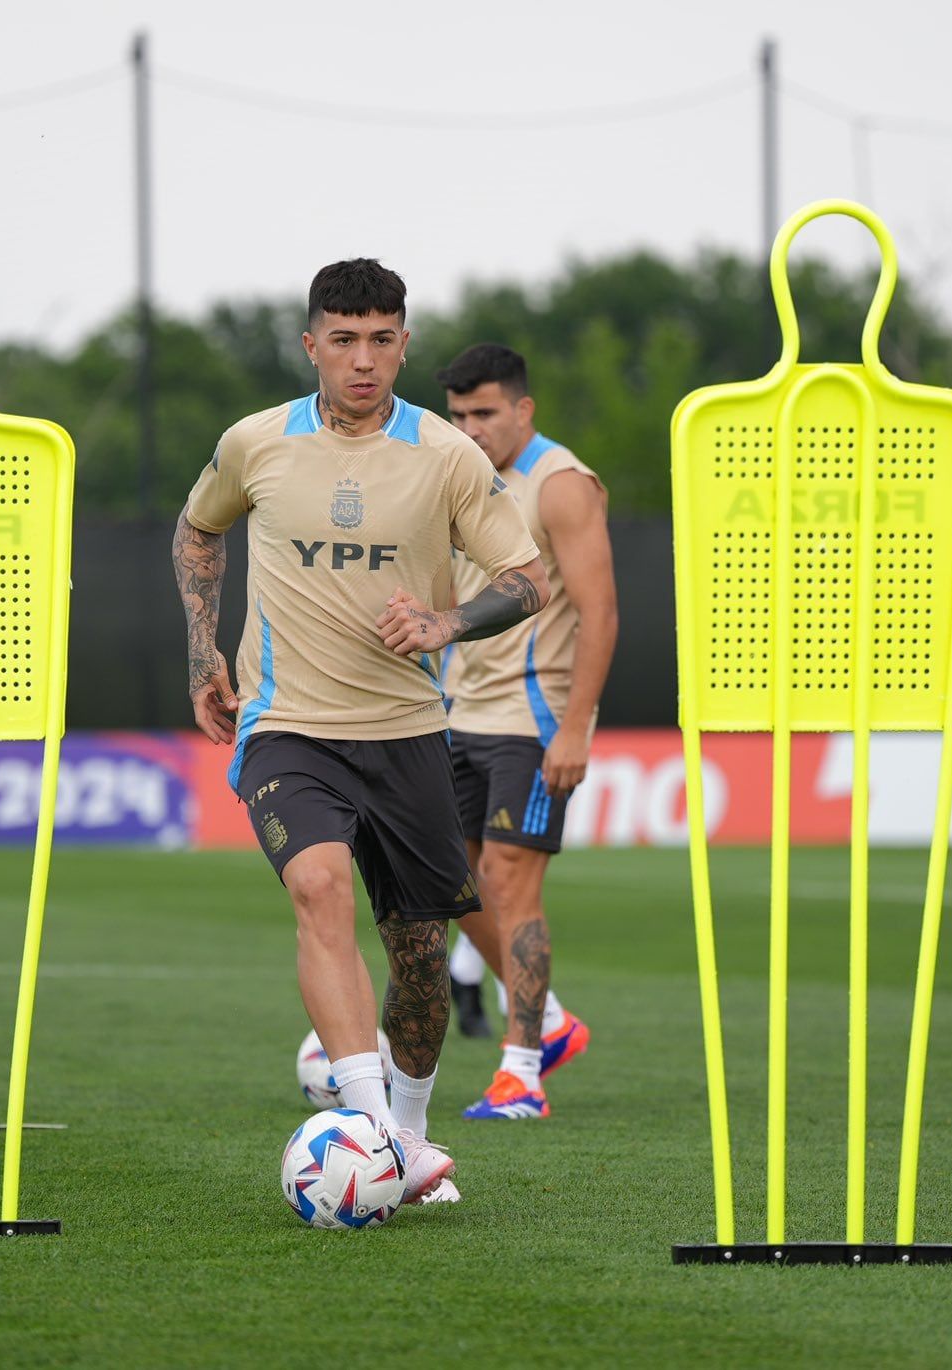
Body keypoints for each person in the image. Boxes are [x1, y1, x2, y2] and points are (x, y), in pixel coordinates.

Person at [174, 260, 548, 1205]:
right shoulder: (256, 443)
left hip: (410, 731)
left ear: (404, 344)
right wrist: (201, 655)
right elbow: (196, 531)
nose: (364, 359)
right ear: (312, 346)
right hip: (287, 726)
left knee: (420, 955)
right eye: (343, 339)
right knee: (318, 882)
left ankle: (409, 1134)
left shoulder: (447, 455)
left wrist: (447, 624)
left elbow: (526, 575)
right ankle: (374, 1132)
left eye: (382, 339)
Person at [436, 344, 618, 1121]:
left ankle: (520, 1074)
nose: (471, 429)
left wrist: (576, 727)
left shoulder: (561, 484)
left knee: (511, 882)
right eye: (457, 416)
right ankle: (555, 1021)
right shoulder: (455, 477)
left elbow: (601, 611)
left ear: (522, 409)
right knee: (449, 884)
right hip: (455, 713)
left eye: (483, 413)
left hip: (532, 719)